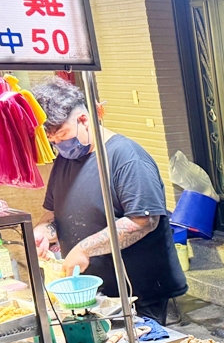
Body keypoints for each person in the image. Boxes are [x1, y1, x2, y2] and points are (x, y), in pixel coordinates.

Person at [32, 77, 186, 324]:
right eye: (53, 141)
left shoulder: (126, 158)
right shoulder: (64, 161)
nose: (60, 145)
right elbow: (53, 213)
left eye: (63, 134)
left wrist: (84, 248)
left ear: (84, 119)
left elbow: (143, 221)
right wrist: (42, 232)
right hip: (91, 292)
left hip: (137, 294)